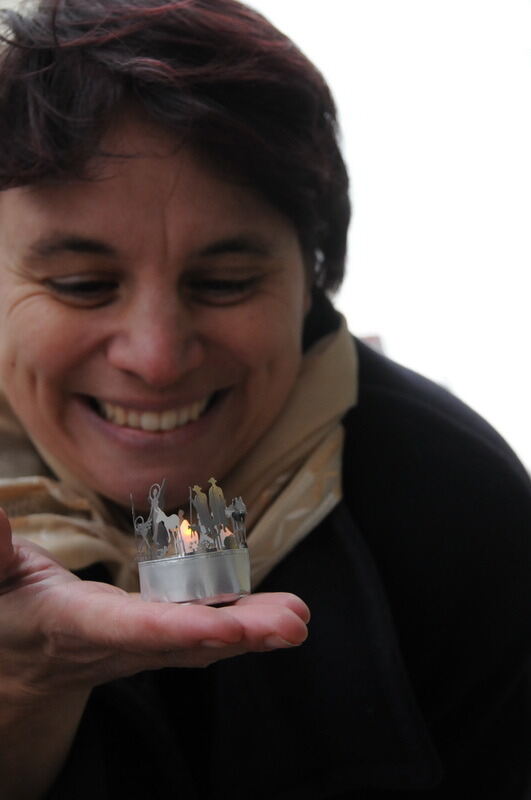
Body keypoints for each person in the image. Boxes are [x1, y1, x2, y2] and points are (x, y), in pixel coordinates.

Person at [0, 1, 529, 798]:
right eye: (82, 285)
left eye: (224, 284)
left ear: (310, 277)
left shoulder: (456, 506)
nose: (155, 357)